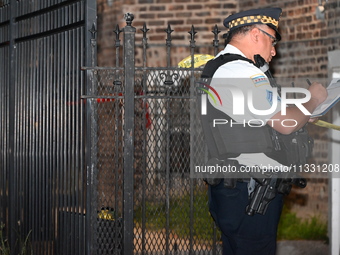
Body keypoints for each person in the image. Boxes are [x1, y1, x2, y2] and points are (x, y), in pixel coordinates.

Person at [200, 7, 328, 255]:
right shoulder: (240, 72)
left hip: (241, 189)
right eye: (272, 40)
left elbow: (273, 115)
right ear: (256, 34)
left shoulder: (225, 68)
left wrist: (302, 114)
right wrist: (314, 100)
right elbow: (284, 123)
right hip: (250, 193)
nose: (273, 51)